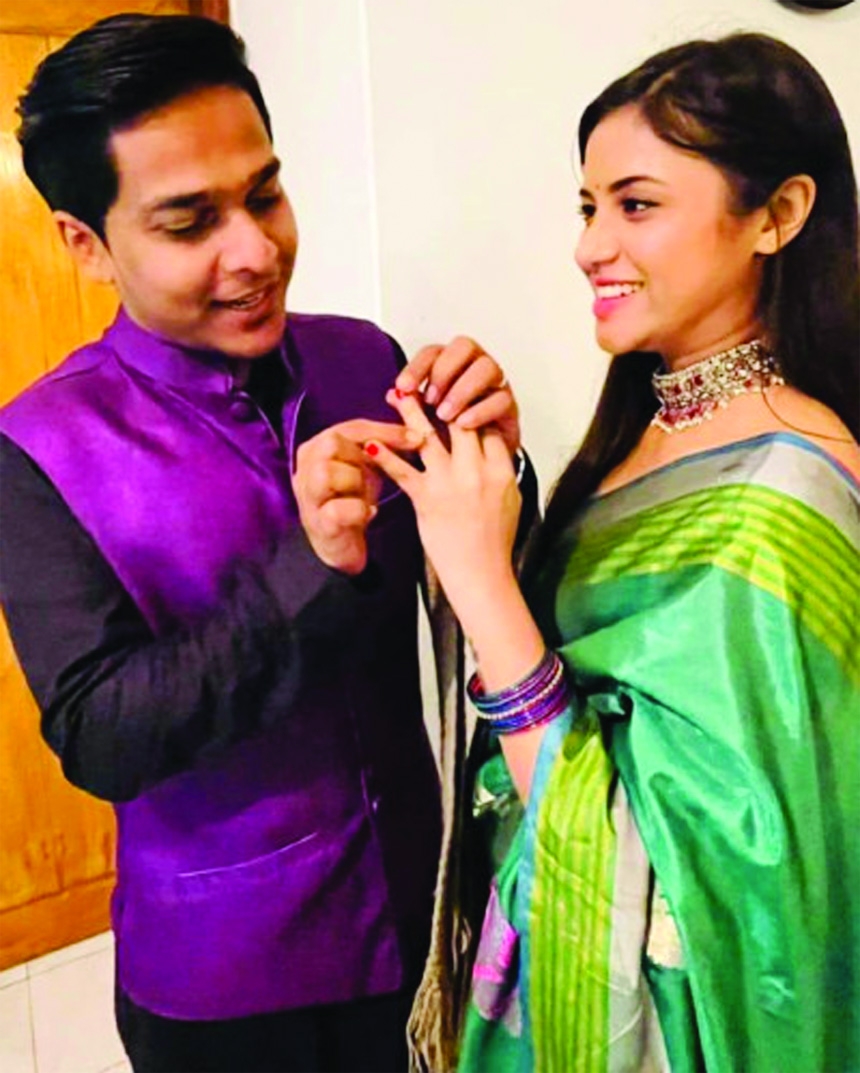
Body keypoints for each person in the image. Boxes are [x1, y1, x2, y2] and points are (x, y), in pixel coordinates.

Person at [0, 14, 529, 1073]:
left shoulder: (361, 358)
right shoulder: (38, 449)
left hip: (424, 909)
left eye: (265, 194)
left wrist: (497, 464)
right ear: (85, 243)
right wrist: (308, 566)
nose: (254, 251)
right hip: (227, 981)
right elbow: (102, 735)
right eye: (190, 221)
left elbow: (475, 587)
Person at [372, 33, 860, 1073]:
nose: (590, 246)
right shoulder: (646, 427)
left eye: (635, 205)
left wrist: (478, 578)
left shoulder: (788, 496)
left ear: (777, 214)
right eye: (587, 206)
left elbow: (702, 875)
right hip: (541, 953)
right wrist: (496, 487)